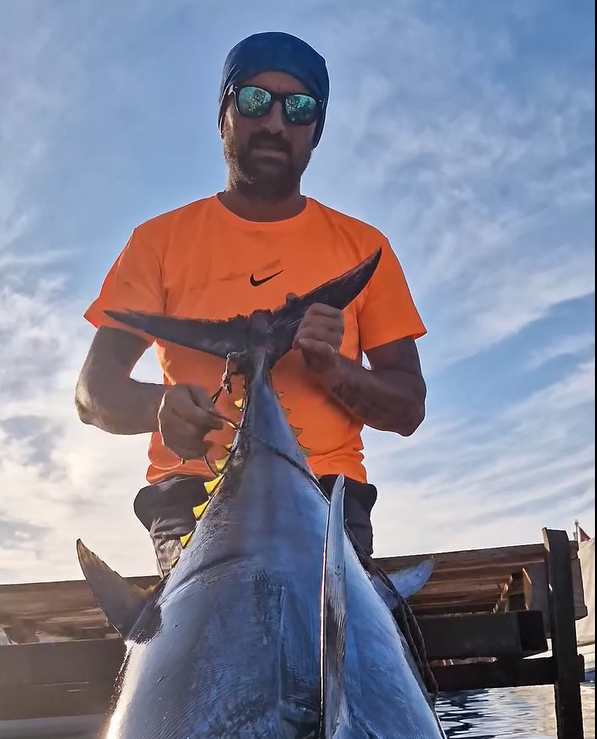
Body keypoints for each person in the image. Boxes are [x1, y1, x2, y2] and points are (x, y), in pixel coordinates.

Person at [76, 31, 427, 577]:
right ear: (224, 115)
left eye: (299, 107)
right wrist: (159, 407)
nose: (275, 123)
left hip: (328, 497)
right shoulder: (157, 242)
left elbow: (408, 408)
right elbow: (92, 394)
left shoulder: (365, 249)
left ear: (316, 132)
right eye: (255, 100)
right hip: (196, 495)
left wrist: (333, 371)